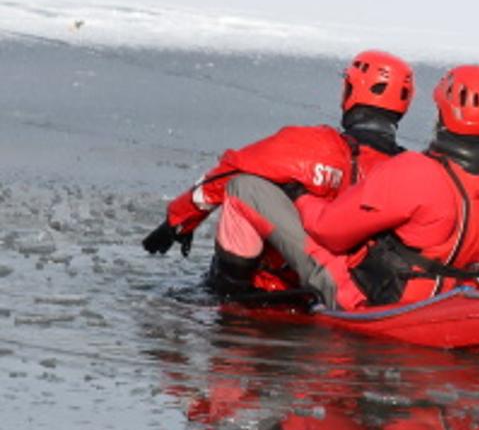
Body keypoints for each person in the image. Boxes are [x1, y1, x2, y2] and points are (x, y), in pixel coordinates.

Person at [143, 51, 415, 301]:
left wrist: (178, 220)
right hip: (361, 290)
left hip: (280, 289)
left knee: (243, 187)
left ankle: (227, 301)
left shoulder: (316, 146)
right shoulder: (410, 169)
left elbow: (229, 173)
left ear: (351, 91)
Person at [306, 64, 479, 311]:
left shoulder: (415, 171)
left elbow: (328, 231)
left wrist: (301, 198)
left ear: (444, 111)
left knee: (278, 208)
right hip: (464, 302)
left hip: (392, 304)